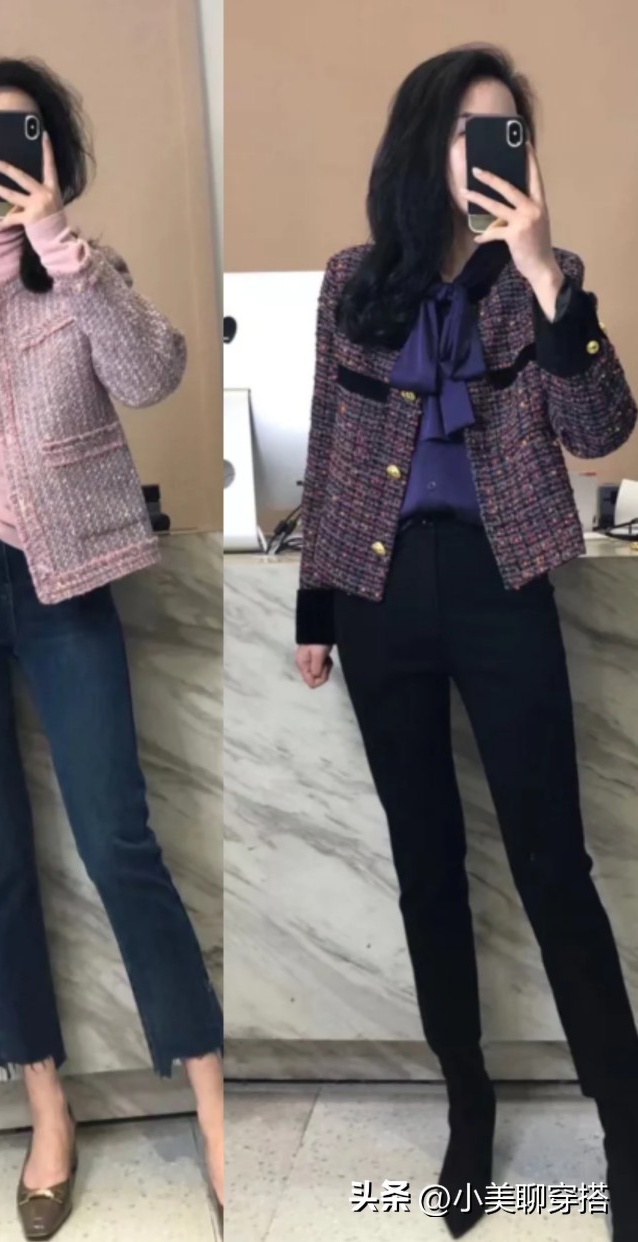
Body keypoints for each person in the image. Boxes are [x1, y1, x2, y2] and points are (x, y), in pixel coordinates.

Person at [0, 57, 224, 1237]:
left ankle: (212, 1101)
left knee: (120, 840)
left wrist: (60, 242)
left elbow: (155, 374)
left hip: (65, 586)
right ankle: (45, 1110)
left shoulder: (85, 271)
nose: (11, 154)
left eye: (31, 136)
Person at [294, 45, 638, 1239]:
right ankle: (469, 1106)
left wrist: (544, 275)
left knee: (554, 865)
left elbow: (602, 429)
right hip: (380, 595)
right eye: (465, 132)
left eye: (505, 134)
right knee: (426, 864)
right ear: (421, 146)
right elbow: (330, 449)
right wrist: (316, 612)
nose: (487, 154)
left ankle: (627, 1123)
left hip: (504, 583)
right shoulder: (352, 283)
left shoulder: (545, 279)